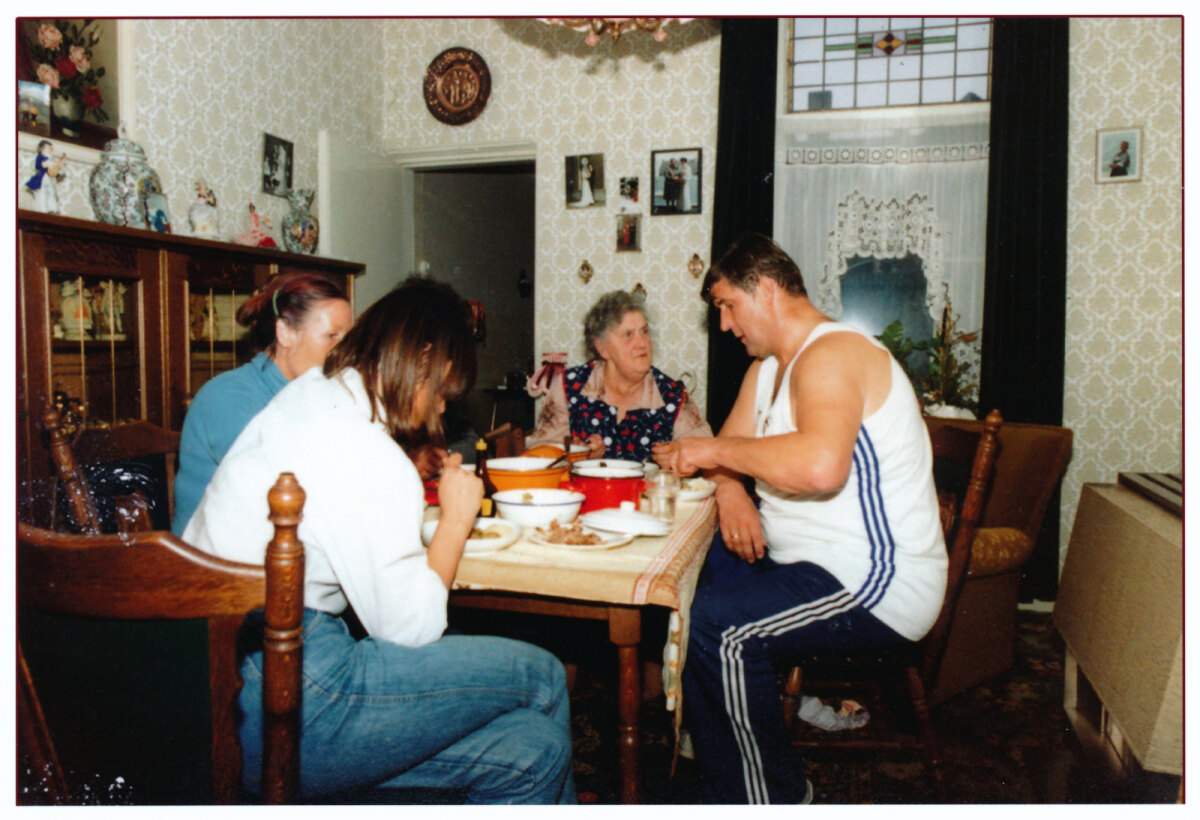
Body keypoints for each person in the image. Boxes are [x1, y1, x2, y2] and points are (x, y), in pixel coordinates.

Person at [183, 278, 576, 803]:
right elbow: (409, 630)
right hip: (288, 702)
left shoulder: (311, 392)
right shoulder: (365, 450)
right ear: (423, 360)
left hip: (210, 686)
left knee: (536, 750)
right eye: (443, 391)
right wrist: (457, 522)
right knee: (544, 674)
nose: (440, 411)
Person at [652, 232, 946, 804]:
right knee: (693, 582)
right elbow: (728, 454)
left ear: (765, 290)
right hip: (809, 566)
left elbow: (817, 467)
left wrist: (713, 456)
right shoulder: (767, 372)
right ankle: (725, 763)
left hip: (877, 583)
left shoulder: (834, 354)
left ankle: (775, 799)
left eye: (727, 306)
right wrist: (732, 492)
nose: (725, 325)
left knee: (723, 626)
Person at [172, 273, 353, 534]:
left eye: (348, 338)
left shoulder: (316, 394)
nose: (345, 350)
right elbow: (291, 487)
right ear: (286, 333)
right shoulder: (228, 397)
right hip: (207, 562)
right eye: (332, 336)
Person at [526, 290, 712, 461]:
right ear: (602, 348)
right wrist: (575, 457)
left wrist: (678, 457)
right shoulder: (569, 387)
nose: (642, 343)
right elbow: (539, 456)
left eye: (644, 331)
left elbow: (707, 454)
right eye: (628, 335)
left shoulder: (672, 395)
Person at [24, 139, 63, 215]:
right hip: (42, 179)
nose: (49, 150)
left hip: (50, 180)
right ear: (42, 149)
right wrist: (47, 164)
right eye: (48, 148)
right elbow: (40, 165)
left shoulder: (51, 159)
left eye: (50, 148)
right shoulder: (40, 157)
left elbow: (54, 170)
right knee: (42, 194)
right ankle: (42, 209)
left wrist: (58, 168)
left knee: (51, 193)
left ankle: (52, 209)